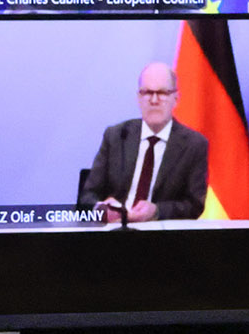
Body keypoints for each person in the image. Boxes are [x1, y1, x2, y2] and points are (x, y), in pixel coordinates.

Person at [76, 62, 209, 222]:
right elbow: (87, 195)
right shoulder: (116, 136)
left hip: (161, 232)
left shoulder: (194, 144)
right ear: (139, 98)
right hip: (114, 230)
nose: (154, 100)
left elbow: (194, 205)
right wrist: (101, 209)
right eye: (147, 92)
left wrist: (156, 211)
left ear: (176, 98)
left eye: (162, 93)